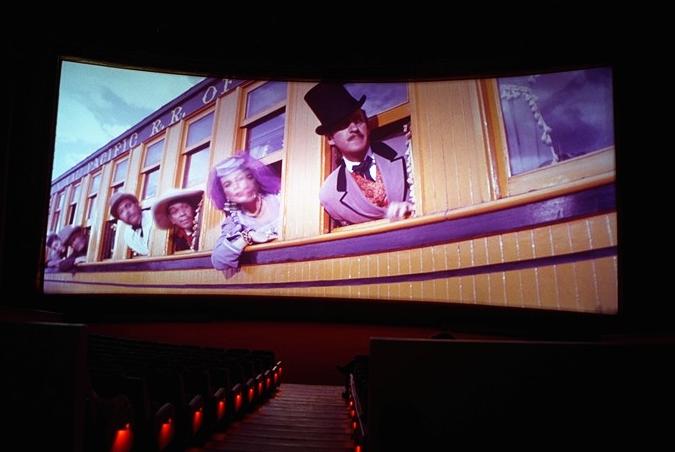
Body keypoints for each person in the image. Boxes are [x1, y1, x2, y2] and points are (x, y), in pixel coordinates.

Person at [304, 82, 414, 226]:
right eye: (343, 124)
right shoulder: (329, 194)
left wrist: (414, 210)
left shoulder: (406, 147)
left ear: (367, 125)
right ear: (330, 138)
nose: (354, 128)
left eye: (358, 120)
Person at [207, 153, 281, 275]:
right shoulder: (234, 222)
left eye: (240, 178)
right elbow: (219, 262)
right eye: (228, 184)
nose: (236, 187)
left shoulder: (280, 200)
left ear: (254, 179)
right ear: (225, 194)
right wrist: (247, 237)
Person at [152, 188, 204, 252]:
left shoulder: (204, 229)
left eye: (185, 207)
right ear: (171, 219)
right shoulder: (176, 242)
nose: (182, 213)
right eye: (174, 211)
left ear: (193, 208)